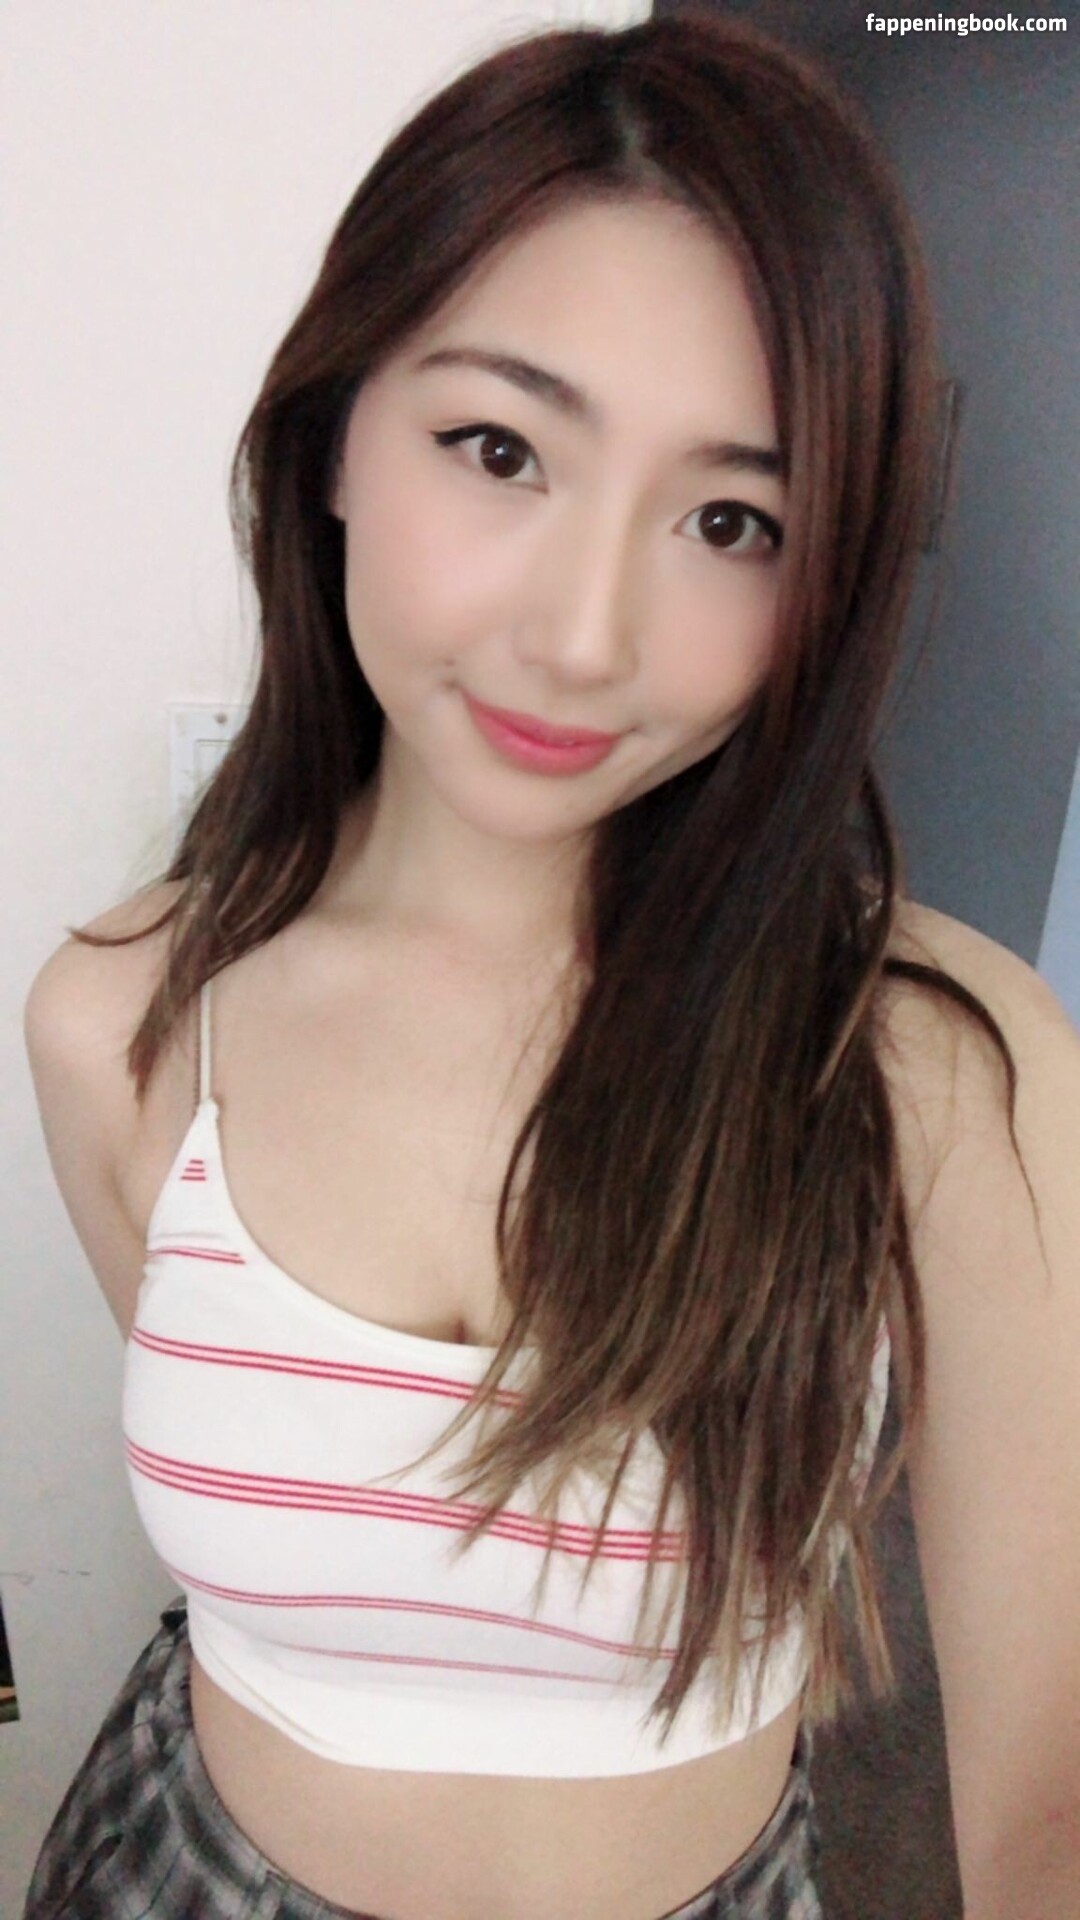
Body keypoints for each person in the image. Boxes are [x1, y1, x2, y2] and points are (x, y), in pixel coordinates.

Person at [21, 12, 1079, 1920]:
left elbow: (1047, 1800)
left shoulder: (932, 1069)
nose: (586, 637)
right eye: (499, 448)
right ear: (334, 438)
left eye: (731, 521)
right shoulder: (125, 1023)